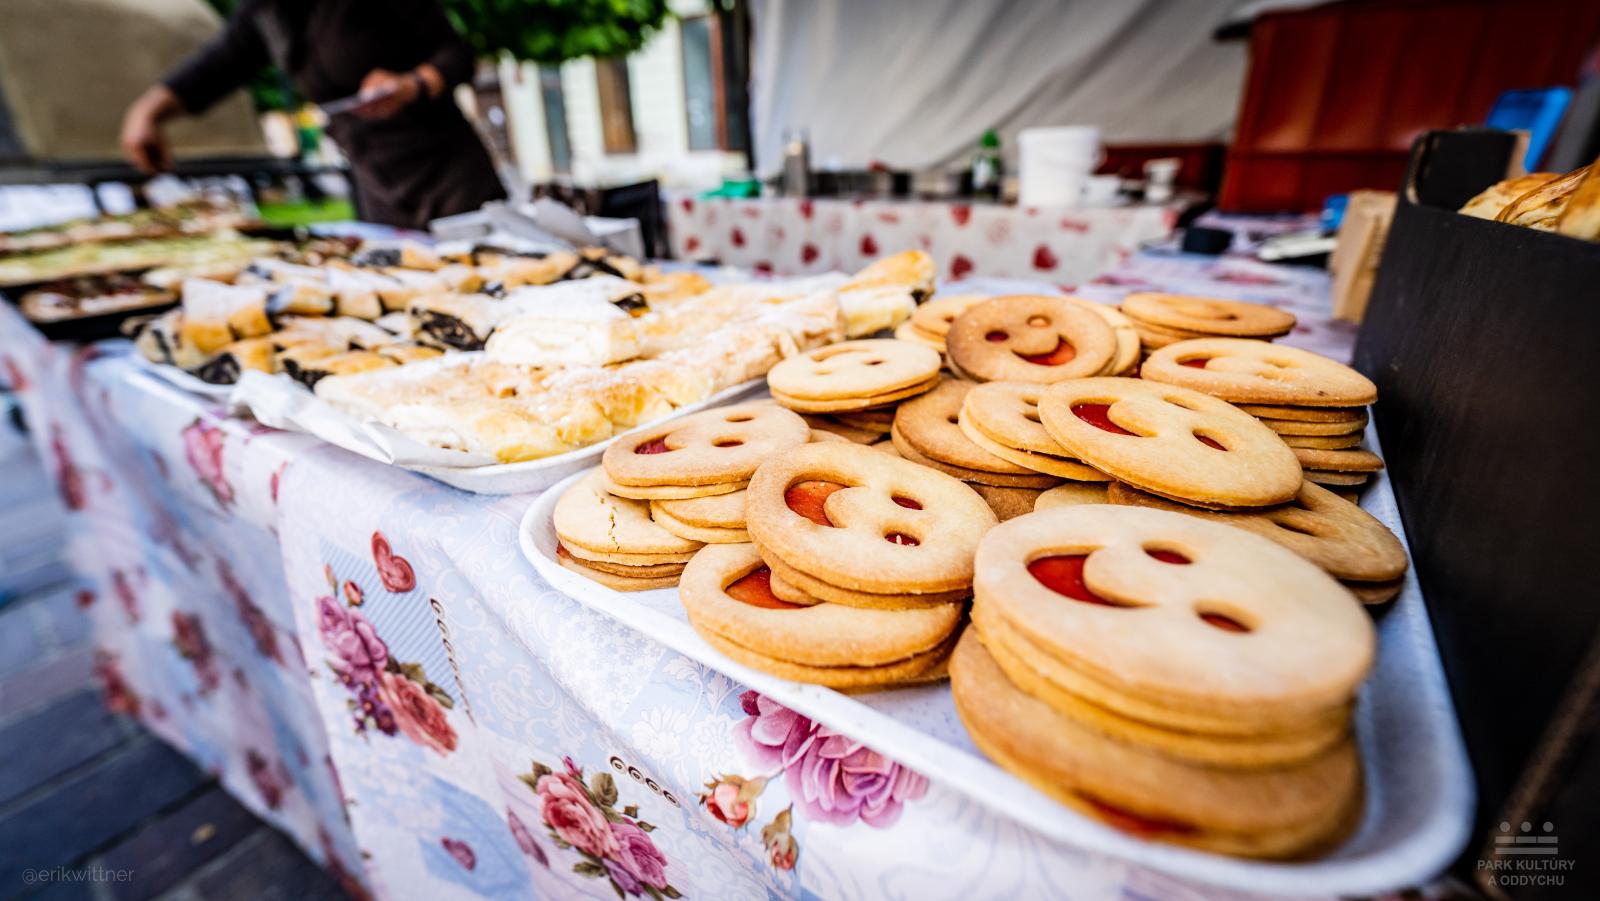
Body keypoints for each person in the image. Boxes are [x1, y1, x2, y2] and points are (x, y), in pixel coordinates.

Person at [119, 0, 505, 229]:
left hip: (449, 173)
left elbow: (457, 55)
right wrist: (147, 112)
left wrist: (411, 84)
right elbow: (216, 66)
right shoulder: (265, 10)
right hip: (374, 182)